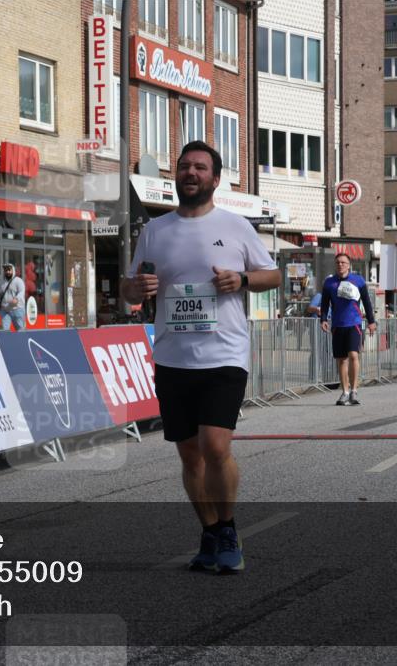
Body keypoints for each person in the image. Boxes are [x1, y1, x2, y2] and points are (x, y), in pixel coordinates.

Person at [120, 141, 281, 573]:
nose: (190, 173)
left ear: (216, 178)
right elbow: (130, 287)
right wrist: (135, 289)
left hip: (224, 353)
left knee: (214, 446)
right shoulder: (155, 230)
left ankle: (227, 529)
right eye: (184, 166)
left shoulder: (235, 226)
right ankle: (209, 533)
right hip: (173, 357)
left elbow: (273, 275)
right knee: (189, 455)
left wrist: (242, 279)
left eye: (200, 167)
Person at [319, 253, 377, 406]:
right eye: (338, 262)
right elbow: (324, 303)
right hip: (338, 325)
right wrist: (323, 319)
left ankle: (354, 390)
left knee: (353, 355)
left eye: (343, 262)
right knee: (341, 359)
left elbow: (367, 302)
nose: (340, 265)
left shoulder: (358, 281)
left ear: (349, 265)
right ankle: (345, 391)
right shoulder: (329, 283)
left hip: (354, 324)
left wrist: (371, 321)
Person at [0, 263, 26, 331]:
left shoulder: (18, 281)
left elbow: (21, 292)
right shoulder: (2, 282)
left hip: (17, 309)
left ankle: (21, 338)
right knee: (5, 330)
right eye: (5, 270)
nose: (7, 272)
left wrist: (16, 299)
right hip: (5, 310)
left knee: (20, 330)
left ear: (13, 270)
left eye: (9, 270)